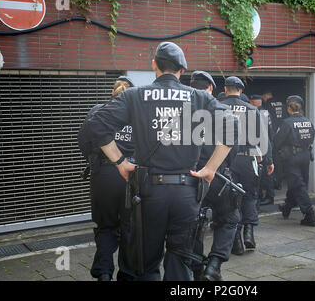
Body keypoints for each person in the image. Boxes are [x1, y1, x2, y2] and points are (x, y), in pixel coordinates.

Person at [86, 42, 238, 280]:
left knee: (143, 264)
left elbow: (96, 125)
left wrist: (120, 162)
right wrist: (210, 169)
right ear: (182, 69)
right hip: (187, 193)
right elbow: (233, 127)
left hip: (148, 193)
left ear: (154, 65)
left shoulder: (135, 95)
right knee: (180, 263)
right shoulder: (200, 98)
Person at [78, 75, 136, 281]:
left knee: (105, 226)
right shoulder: (137, 115)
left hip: (102, 175)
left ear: (113, 92)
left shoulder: (98, 111)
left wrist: (95, 161)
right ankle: (127, 274)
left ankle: (104, 273)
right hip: (130, 175)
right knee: (129, 227)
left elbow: (83, 140)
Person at [189, 70, 240, 281]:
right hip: (217, 176)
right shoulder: (222, 111)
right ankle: (214, 266)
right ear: (211, 88)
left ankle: (196, 266)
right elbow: (232, 148)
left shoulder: (184, 111)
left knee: (193, 223)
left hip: (190, 178)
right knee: (229, 219)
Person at [221, 77, 267, 255]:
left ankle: (237, 243)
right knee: (250, 196)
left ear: (226, 90)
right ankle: (249, 232)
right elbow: (262, 138)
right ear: (240, 90)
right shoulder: (252, 109)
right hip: (248, 159)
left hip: (226, 160)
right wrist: (267, 160)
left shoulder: (218, 106)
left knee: (232, 201)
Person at [275, 96, 315, 226]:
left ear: (288, 108)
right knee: (298, 182)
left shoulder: (287, 123)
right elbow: (312, 137)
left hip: (292, 158)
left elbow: (277, 141)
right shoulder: (308, 121)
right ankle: (287, 207)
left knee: (298, 185)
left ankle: (310, 215)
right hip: (305, 156)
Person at [249, 94, 275, 206]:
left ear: (253, 102)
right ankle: (268, 196)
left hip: (259, 147)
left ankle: (265, 197)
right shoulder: (266, 112)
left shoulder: (255, 113)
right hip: (267, 145)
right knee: (266, 173)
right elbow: (270, 131)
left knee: (261, 174)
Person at [262, 89, 284, 190]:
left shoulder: (267, 105)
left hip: (273, 135)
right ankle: (279, 183)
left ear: (266, 95)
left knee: (271, 161)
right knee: (279, 161)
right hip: (283, 134)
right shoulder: (282, 103)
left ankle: (272, 183)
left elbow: (267, 119)